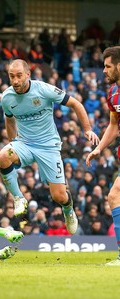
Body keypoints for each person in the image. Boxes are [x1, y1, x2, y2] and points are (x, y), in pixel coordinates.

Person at [0, 59, 100, 235]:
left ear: (28, 75)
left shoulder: (44, 90)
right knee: (3, 155)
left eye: (19, 76)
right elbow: (9, 119)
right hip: (24, 144)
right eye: (11, 76)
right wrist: (12, 141)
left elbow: (76, 104)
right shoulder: (7, 98)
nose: (15, 81)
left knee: (59, 196)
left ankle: (68, 211)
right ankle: (18, 198)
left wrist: (87, 129)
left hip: (48, 147)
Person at [86, 46, 120, 266]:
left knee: (115, 195)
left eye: (108, 66)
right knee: (114, 196)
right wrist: (99, 148)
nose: (104, 71)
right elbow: (113, 124)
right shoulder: (113, 93)